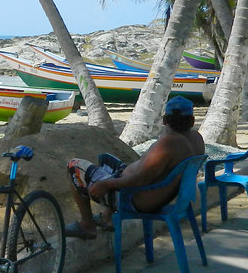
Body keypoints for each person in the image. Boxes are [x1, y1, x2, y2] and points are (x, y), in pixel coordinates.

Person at [65, 96, 205, 239]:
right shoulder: (196, 139)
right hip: (160, 197)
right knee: (106, 159)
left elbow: (141, 179)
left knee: (74, 166)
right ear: (192, 121)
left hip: (134, 200)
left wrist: (106, 184)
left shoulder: (168, 142)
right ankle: (107, 218)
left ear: (164, 120)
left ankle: (87, 224)